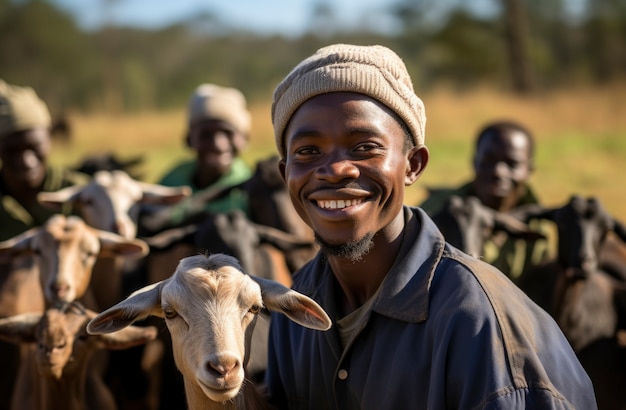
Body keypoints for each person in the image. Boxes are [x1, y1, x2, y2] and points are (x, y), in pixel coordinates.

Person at [264, 44, 596, 409]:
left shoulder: (478, 322)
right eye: (308, 152)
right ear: (285, 174)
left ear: (413, 166)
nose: (335, 169)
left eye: (364, 147)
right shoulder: (297, 303)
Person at [0, 80, 89, 410]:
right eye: (12, 150)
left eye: (33, 147)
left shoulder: (81, 195)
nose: (25, 159)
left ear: (49, 141)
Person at [420, 120, 554, 280]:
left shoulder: (538, 226)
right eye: (489, 161)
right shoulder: (437, 208)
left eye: (512, 164)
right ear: (475, 162)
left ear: (529, 170)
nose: (498, 172)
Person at [153, 83, 252, 227]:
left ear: (244, 140)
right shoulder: (172, 183)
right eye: (206, 134)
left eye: (227, 133)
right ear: (188, 139)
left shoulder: (250, 187)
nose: (218, 144)